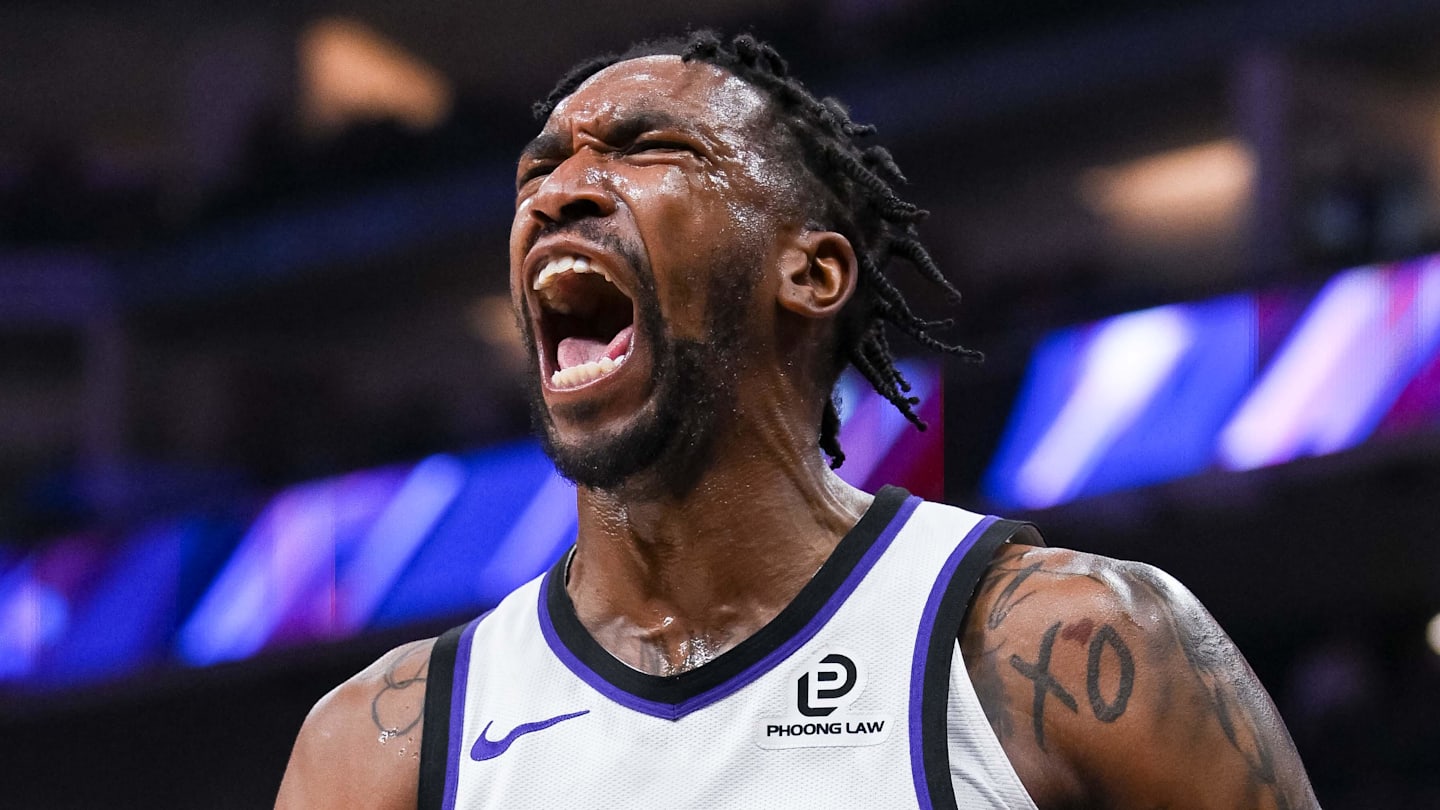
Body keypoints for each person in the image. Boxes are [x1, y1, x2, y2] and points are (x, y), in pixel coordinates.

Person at [276, 31, 1319, 809]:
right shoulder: (382, 752)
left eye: (647, 149)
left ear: (810, 273)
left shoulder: (1071, 649)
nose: (561, 192)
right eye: (539, 171)